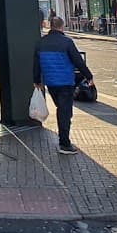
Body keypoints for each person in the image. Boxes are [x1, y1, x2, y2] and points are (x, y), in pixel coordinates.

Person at [33, 15, 93, 155]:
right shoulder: (67, 42)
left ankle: (64, 141)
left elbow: (36, 64)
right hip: (65, 82)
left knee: (61, 109)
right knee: (65, 113)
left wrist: (36, 81)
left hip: (51, 83)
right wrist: (89, 76)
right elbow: (78, 61)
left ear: (51, 26)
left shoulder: (41, 43)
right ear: (62, 26)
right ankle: (64, 144)